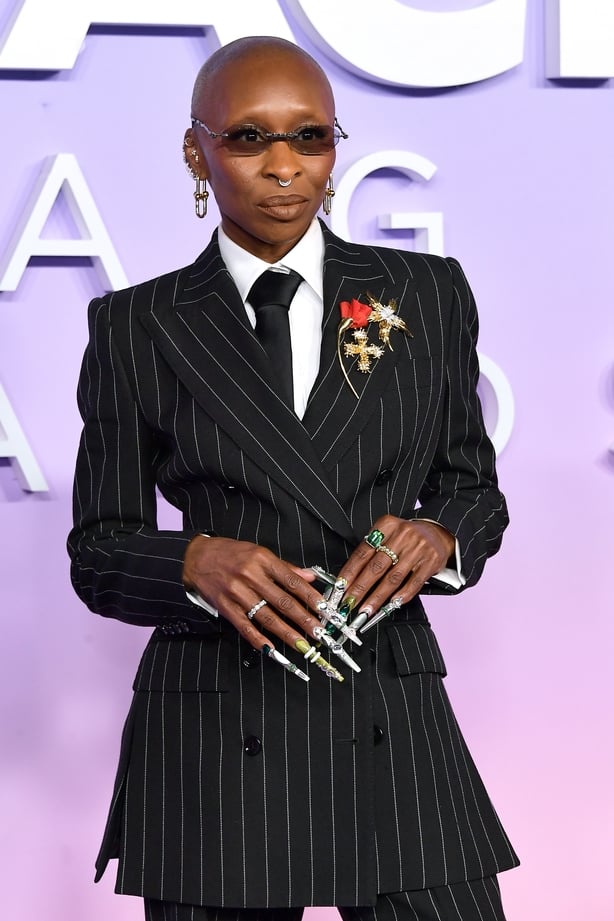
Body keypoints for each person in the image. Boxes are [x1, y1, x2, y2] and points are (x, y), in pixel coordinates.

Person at [68, 35, 518, 921]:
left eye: (311, 137)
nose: (284, 167)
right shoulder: (137, 324)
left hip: (385, 700)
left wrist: (441, 535)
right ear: (197, 151)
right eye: (248, 139)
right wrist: (194, 561)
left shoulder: (424, 293)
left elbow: (474, 487)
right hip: (215, 728)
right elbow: (99, 551)